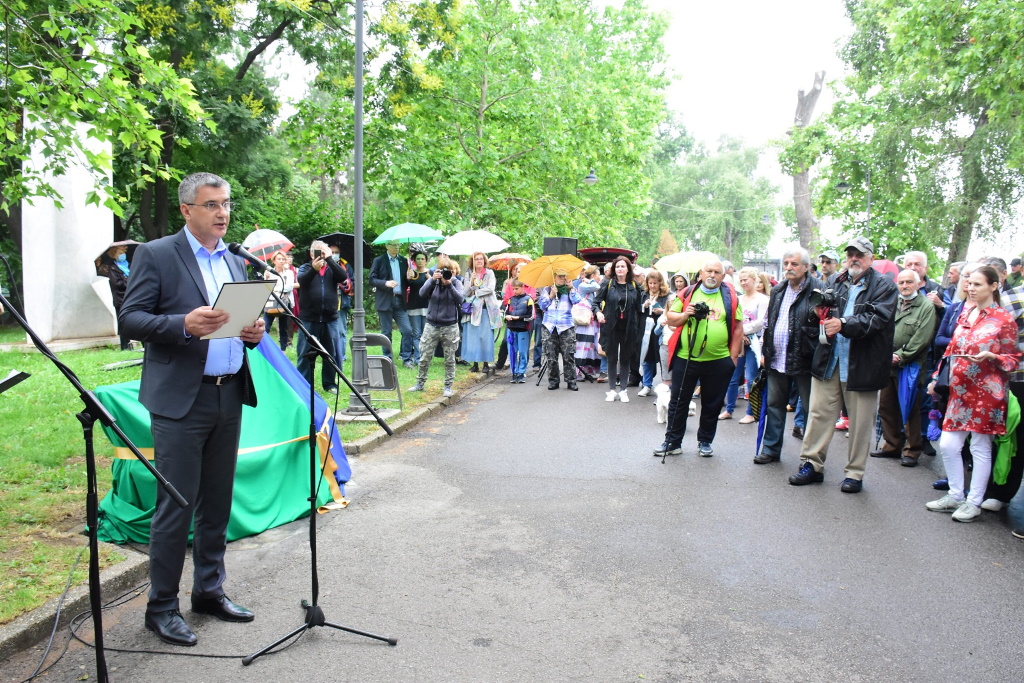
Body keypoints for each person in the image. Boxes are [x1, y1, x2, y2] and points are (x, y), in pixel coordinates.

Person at [119, 172, 264, 647]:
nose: (222, 212)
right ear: (186, 210)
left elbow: (239, 319)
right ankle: (161, 607)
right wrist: (182, 323)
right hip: (182, 399)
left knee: (217, 503)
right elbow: (131, 318)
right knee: (176, 506)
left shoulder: (236, 260)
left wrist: (253, 334)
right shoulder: (157, 254)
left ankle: (208, 591)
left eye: (226, 203)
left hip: (228, 392)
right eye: (211, 205)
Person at [788, 237, 897, 493]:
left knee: (860, 423)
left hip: (864, 365)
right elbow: (818, 313)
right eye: (850, 255)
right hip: (829, 360)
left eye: (859, 255)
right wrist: (818, 315)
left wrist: (844, 324)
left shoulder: (884, 285)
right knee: (818, 415)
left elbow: (877, 319)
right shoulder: (836, 281)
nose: (853, 259)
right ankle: (811, 465)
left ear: (870, 257)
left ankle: (855, 474)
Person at [926, 265, 1021, 521]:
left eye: (977, 284)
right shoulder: (966, 314)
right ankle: (955, 495)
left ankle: (974, 501)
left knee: (980, 447)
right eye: (969, 283)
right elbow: (950, 352)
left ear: (993, 286)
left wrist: (993, 356)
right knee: (948, 444)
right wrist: (937, 378)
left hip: (987, 392)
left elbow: (1015, 359)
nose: (971, 288)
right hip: (959, 391)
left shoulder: (1004, 319)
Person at [653, 259, 743, 458]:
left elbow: (737, 329)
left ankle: (705, 442)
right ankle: (673, 442)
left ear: (723, 276)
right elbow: (672, 319)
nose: (712, 275)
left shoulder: (731, 297)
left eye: (716, 272)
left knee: (712, 403)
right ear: (700, 274)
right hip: (687, 358)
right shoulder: (687, 293)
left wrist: (733, 359)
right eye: (708, 271)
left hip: (719, 360)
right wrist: (687, 314)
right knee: (678, 401)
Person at [755, 247, 821, 463]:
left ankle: (811, 459)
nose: (789, 268)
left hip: (805, 359)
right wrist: (765, 351)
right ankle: (771, 450)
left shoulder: (819, 290)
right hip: (777, 358)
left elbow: (824, 325)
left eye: (794, 264)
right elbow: (768, 322)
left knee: (813, 410)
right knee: (775, 405)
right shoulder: (779, 289)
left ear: (806, 267)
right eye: (786, 264)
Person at [870, 269, 937, 467]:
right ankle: (892, 445)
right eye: (901, 282)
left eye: (909, 282)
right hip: (887, 365)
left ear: (918, 284)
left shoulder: (925, 306)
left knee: (910, 408)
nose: (904, 286)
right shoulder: (894, 302)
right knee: (886, 407)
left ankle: (912, 450)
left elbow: (922, 339)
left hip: (910, 366)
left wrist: (901, 356)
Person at [296, 240, 349, 394]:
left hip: (330, 319)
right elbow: (302, 281)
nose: (321, 255)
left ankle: (330, 384)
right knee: (305, 354)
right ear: (312, 254)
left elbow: (342, 276)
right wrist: (313, 269)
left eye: (323, 251)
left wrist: (330, 259)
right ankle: (304, 386)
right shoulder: (305, 268)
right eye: (318, 252)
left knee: (330, 354)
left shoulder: (332, 268)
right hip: (309, 319)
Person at [409, 256, 463, 398]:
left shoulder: (457, 283)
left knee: (450, 358)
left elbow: (460, 299)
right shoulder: (433, 281)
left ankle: (448, 386)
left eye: (449, 271)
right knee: (424, 356)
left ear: (453, 272)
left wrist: (449, 284)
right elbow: (421, 293)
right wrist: (433, 279)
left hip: (450, 326)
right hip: (431, 324)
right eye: (443, 270)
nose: (446, 273)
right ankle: (420, 383)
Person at [721, 266, 769, 421]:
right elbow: (733, 319)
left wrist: (742, 331)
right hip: (740, 341)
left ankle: (751, 412)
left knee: (751, 376)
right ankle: (729, 409)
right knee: (732, 375)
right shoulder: (739, 299)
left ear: (754, 280)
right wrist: (739, 334)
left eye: (745, 280)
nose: (743, 283)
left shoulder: (763, 300)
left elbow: (761, 322)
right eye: (740, 280)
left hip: (755, 343)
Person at [593, 255, 644, 402]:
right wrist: (598, 313)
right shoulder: (608, 284)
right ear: (614, 269)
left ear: (628, 269)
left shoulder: (634, 286)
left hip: (629, 327)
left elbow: (639, 308)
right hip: (611, 326)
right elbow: (596, 302)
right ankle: (611, 390)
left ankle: (623, 390)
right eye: (618, 266)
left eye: (623, 266)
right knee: (612, 357)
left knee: (626, 358)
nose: (620, 269)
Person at [370, 240, 414, 367]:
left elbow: (407, 283)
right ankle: (387, 359)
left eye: (398, 245)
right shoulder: (379, 260)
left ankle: (406, 359)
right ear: (387, 246)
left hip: (400, 300)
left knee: (407, 330)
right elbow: (372, 279)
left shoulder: (403, 261)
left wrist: (410, 278)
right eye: (393, 245)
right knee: (386, 332)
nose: (396, 247)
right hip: (385, 300)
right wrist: (385, 283)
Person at [538, 267, 581, 391]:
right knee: (551, 356)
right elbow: (542, 306)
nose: (563, 279)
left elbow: (577, 300)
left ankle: (571, 381)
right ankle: (553, 381)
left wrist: (571, 288)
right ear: (554, 277)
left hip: (566, 326)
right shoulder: (547, 289)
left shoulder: (569, 290)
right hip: (550, 326)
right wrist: (551, 295)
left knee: (569, 356)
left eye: (564, 276)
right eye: (560, 276)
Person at [461, 251, 501, 373]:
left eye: (481, 259)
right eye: (476, 259)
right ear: (473, 261)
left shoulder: (489, 273)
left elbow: (490, 288)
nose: (479, 261)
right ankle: (475, 363)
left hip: (487, 310)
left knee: (486, 337)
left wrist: (477, 292)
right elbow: (465, 293)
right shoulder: (469, 273)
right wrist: (471, 283)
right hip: (474, 311)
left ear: (484, 261)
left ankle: (485, 364)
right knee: (474, 337)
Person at [637, 269, 669, 397]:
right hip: (646, 331)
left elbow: (669, 310)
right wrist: (643, 306)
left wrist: (660, 311)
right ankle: (647, 385)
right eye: (650, 283)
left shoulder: (667, 295)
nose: (652, 286)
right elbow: (637, 309)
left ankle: (665, 386)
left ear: (660, 283)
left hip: (660, 331)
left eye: (655, 283)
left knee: (663, 360)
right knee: (647, 358)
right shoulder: (644, 294)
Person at [96, 245, 132, 349]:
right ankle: (125, 346)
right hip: (120, 299)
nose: (122, 255)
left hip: (131, 297)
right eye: (120, 253)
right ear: (114, 255)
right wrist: (128, 279)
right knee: (122, 322)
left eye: (123, 252)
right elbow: (117, 283)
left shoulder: (129, 265)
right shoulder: (112, 268)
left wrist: (127, 279)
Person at [503, 278, 535, 383]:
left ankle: (521, 372)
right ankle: (514, 372)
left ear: (522, 287)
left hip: (523, 329)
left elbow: (531, 316)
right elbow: (506, 312)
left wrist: (519, 318)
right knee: (512, 352)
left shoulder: (529, 299)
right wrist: (506, 316)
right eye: (513, 289)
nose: (515, 291)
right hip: (511, 329)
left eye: (517, 288)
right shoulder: (511, 299)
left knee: (522, 352)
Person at [262, 251, 295, 351]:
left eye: (283, 259)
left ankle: (283, 350)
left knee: (283, 327)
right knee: (265, 326)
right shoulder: (268, 273)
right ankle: (263, 348)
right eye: (279, 259)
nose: (281, 261)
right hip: (271, 302)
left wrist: (276, 289)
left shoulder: (288, 273)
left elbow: (289, 287)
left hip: (284, 302)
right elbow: (266, 288)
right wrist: (266, 279)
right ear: (274, 261)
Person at [574, 264, 602, 381]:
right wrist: (589, 281)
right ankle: (578, 371)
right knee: (583, 345)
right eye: (598, 274)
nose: (600, 277)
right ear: (593, 275)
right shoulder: (584, 285)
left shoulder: (589, 285)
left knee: (592, 346)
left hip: (593, 320)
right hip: (585, 320)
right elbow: (597, 286)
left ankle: (588, 369)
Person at [406, 249, 432, 365]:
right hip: (414, 307)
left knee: (426, 334)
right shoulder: (412, 273)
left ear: (426, 261)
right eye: (418, 259)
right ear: (414, 261)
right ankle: (417, 358)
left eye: (422, 259)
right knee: (416, 334)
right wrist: (408, 278)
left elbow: (435, 290)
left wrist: (430, 280)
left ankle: (425, 358)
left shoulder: (430, 273)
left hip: (427, 307)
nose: (420, 261)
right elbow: (405, 286)